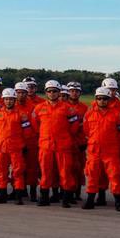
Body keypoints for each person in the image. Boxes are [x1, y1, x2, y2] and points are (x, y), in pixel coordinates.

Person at [32, 80, 80, 208]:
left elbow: (75, 125)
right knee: (45, 172)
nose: (52, 93)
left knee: (65, 172)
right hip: (45, 146)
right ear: (46, 92)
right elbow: (35, 125)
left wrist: (65, 136)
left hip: (63, 146)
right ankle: (44, 197)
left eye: (55, 91)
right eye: (49, 91)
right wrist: (44, 135)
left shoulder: (67, 108)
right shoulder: (39, 108)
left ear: (59, 93)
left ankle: (65, 199)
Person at [82, 87, 120, 212]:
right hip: (94, 151)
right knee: (92, 176)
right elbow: (86, 130)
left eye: (105, 99)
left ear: (109, 100)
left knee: (115, 176)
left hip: (111, 151)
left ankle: (119, 202)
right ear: (96, 99)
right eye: (99, 98)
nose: (102, 101)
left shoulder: (117, 114)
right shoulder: (89, 114)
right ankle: (90, 200)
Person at [0, 88, 29, 204]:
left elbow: (27, 131)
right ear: (3, 100)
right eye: (6, 99)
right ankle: (2, 195)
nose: (8, 101)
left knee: (18, 172)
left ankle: (18, 197)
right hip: (1, 148)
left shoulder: (22, 114)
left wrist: (19, 142)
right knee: (1, 171)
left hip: (16, 148)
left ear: (15, 100)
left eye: (11, 99)